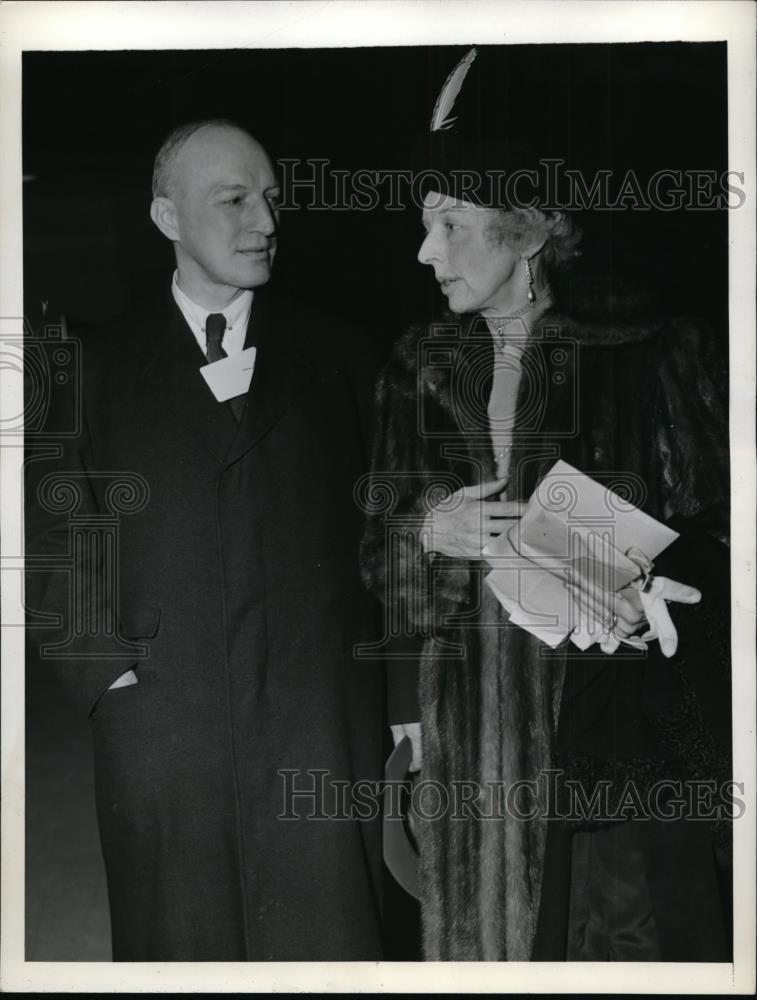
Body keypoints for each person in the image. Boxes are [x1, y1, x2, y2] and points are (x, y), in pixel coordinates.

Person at [361, 51, 731, 961]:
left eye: (450, 225)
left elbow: (719, 537)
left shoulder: (652, 348)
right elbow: (379, 562)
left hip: (621, 726)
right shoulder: (419, 368)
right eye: (422, 226)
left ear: (527, 232)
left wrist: (657, 590)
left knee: (624, 942)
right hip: (481, 742)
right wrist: (425, 532)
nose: (424, 252)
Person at [25, 119, 396, 961]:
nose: (263, 221)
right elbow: (52, 540)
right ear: (166, 219)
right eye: (232, 200)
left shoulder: (343, 355)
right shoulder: (84, 369)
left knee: (329, 944)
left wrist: (401, 701)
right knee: (179, 943)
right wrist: (105, 676)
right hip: (163, 720)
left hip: (317, 720)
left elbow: (393, 536)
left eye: (270, 198)